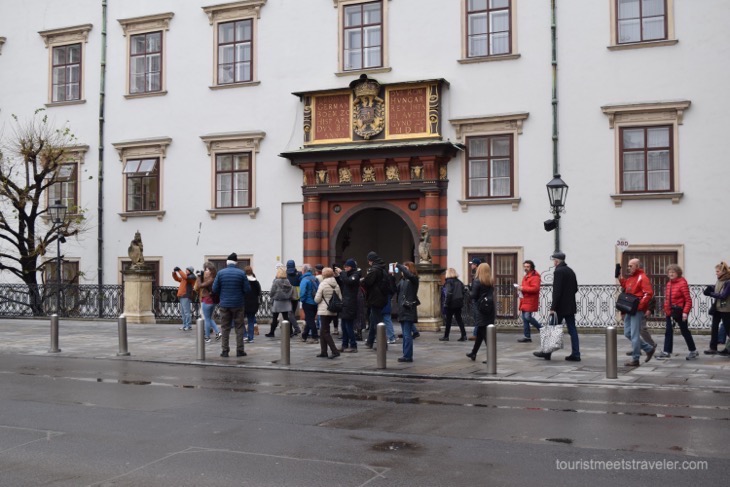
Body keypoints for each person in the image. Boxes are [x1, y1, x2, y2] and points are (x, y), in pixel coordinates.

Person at [535, 252, 580, 361]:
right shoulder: (570, 271)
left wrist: (553, 307)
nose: (553, 262)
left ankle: (546, 352)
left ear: (556, 261)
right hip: (570, 306)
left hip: (560, 307)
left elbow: (557, 291)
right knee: (572, 330)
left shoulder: (558, 271)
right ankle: (576, 354)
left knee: (551, 329)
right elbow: (575, 288)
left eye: (554, 260)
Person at [212, 253, 251, 358]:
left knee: (225, 328)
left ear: (227, 263)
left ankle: (225, 351)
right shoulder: (241, 273)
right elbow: (247, 289)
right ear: (236, 263)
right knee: (239, 327)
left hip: (224, 304)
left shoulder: (220, 273)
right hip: (238, 304)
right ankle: (240, 350)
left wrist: (223, 293)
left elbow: (214, 289)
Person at [618, 258, 656, 367]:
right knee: (627, 333)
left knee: (634, 335)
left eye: (631, 266)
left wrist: (640, 306)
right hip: (630, 309)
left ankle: (635, 359)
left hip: (637, 310)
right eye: (628, 266)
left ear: (637, 266)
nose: (629, 268)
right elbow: (626, 286)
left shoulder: (642, 277)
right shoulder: (632, 277)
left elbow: (648, 293)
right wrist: (619, 276)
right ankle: (648, 349)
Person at [657, 264, 697, 360]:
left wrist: (685, 312)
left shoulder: (682, 283)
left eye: (673, 272)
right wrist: (666, 309)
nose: (671, 274)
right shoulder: (669, 284)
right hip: (670, 311)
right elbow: (668, 299)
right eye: (669, 272)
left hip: (679, 311)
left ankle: (693, 350)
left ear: (678, 273)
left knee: (684, 331)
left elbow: (688, 300)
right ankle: (666, 352)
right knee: (668, 331)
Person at [466, 262, 495, 361]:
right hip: (490, 308)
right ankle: (473, 353)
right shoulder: (490, 281)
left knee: (484, 333)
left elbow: (473, 295)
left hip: (481, 309)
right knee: (480, 332)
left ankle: (491, 357)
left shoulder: (477, 281)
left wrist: (468, 291)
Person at [362, 251, 389, 349]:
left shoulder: (374, 270)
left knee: (378, 322)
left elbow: (367, 282)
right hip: (381, 297)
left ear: (371, 260)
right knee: (373, 320)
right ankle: (370, 342)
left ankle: (383, 345)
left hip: (375, 298)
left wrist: (362, 281)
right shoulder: (383, 269)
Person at [314, 267, 342, 359]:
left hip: (324, 310)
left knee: (325, 331)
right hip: (333, 309)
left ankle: (335, 351)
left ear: (324, 275)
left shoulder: (323, 284)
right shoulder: (336, 284)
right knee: (323, 331)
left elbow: (317, 299)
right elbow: (340, 298)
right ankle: (323, 352)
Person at [704, 261, 730, 356]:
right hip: (717, 308)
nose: (716, 273)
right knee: (714, 328)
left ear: (723, 271)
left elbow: (723, 295)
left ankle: (728, 349)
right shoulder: (719, 280)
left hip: (726, 309)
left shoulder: (728, 282)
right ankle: (713, 348)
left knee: (728, 329)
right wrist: (710, 288)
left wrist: (711, 293)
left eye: (718, 271)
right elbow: (718, 289)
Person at [395, 262, 419, 363]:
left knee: (407, 334)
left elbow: (409, 275)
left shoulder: (414, 279)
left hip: (408, 309)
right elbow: (394, 289)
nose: (403, 270)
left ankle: (408, 356)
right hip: (402, 310)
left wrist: (399, 266)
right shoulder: (402, 281)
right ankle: (406, 354)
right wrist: (391, 276)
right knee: (405, 335)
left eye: (405, 268)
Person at [335, 259, 361, 352]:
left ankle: (353, 345)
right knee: (343, 326)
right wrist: (337, 277)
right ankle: (344, 345)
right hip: (345, 303)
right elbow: (342, 284)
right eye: (344, 267)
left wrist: (342, 273)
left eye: (347, 267)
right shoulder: (346, 275)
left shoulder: (355, 275)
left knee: (349, 326)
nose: (345, 268)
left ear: (352, 267)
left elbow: (349, 282)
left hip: (350, 303)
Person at [517, 260, 542, 343]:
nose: (526, 268)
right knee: (525, 318)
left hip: (530, 300)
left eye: (527, 267)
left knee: (527, 317)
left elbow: (535, 289)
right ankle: (527, 337)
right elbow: (525, 287)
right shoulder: (526, 276)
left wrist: (523, 288)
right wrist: (520, 289)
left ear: (531, 267)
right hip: (525, 299)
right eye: (525, 266)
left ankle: (542, 329)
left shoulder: (535, 277)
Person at [195, 262, 220, 343]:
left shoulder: (211, 279)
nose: (205, 271)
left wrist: (198, 276)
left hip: (207, 300)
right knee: (209, 318)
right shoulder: (213, 278)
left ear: (211, 271)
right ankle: (218, 332)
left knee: (206, 319)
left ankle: (207, 337)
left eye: (207, 270)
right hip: (211, 300)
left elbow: (199, 286)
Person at [265, 267, 294, 337]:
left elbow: (272, 291)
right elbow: (291, 290)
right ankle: (290, 332)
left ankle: (272, 332)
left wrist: (272, 296)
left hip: (277, 301)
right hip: (286, 301)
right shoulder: (287, 281)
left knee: (275, 318)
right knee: (286, 317)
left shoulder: (276, 281)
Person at [440, 268, 466, 341]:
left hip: (451, 303)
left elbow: (448, 293)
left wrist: (445, 303)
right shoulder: (459, 282)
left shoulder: (448, 282)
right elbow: (464, 291)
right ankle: (464, 335)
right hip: (458, 302)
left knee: (448, 320)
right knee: (459, 319)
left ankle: (446, 336)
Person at [299, 264, 320, 343]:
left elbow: (302, 292)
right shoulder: (315, 278)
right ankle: (304, 335)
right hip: (315, 302)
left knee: (310, 320)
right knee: (309, 319)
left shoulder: (304, 280)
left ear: (304, 271)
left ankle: (315, 336)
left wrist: (302, 300)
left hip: (308, 302)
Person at [173, 265, 196, 331]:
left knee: (186, 312)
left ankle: (188, 326)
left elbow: (185, 277)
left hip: (186, 296)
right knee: (183, 312)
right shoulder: (185, 278)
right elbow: (177, 279)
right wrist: (174, 272)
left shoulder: (192, 277)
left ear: (190, 271)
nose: (186, 270)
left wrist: (179, 270)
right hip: (182, 296)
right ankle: (185, 325)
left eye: (187, 270)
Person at [243, 266, 261, 343]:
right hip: (253, 303)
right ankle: (251, 338)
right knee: (251, 321)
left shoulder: (243, 281)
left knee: (241, 320)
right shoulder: (256, 282)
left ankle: (244, 336)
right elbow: (259, 293)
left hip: (244, 303)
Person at [285, 260, 303, 335]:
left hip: (288, 294)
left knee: (289, 313)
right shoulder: (299, 274)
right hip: (296, 294)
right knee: (292, 312)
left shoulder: (285, 274)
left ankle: (296, 328)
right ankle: (291, 331)